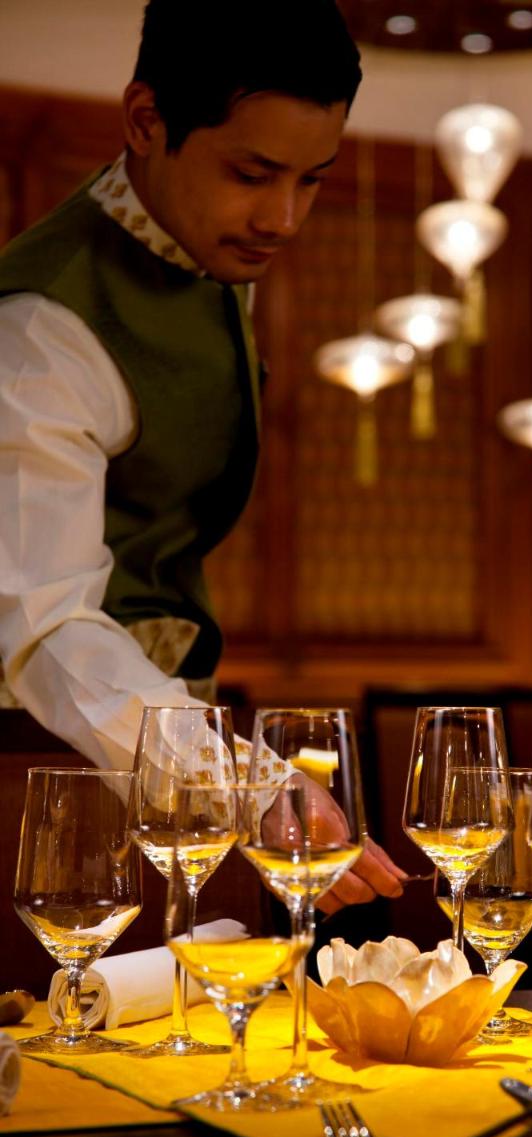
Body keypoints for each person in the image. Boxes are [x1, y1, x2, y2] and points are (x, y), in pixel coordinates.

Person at [0, 0, 404, 911]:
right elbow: (44, 625)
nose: (285, 218)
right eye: (254, 173)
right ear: (145, 122)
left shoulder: (203, 245)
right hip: (36, 780)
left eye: (312, 180)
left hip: (163, 759)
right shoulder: (41, 327)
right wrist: (250, 784)